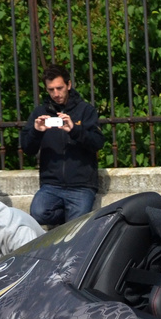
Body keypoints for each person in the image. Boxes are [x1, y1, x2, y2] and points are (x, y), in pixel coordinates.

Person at [22, 64, 105, 228]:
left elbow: (98, 142)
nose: (56, 94)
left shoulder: (85, 110)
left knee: (76, 227)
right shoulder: (40, 112)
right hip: (51, 184)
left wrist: (75, 130)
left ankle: (70, 221)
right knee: (38, 213)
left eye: (59, 88)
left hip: (81, 185)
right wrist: (36, 131)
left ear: (68, 84)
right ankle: (66, 217)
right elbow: (27, 148)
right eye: (51, 89)